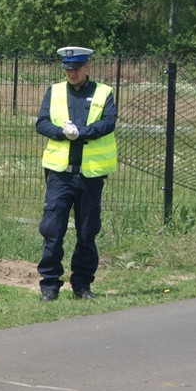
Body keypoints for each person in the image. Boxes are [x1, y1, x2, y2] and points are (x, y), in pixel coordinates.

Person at [35, 46, 117, 301]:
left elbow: (108, 122)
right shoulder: (55, 91)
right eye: (67, 68)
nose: (71, 73)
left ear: (87, 67)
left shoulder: (104, 93)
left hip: (91, 175)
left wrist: (81, 133)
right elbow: (42, 123)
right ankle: (49, 284)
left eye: (76, 68)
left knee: (87, 231)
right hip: (60, 175)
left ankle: (82, 285)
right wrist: (61, 132)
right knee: (52, 230)